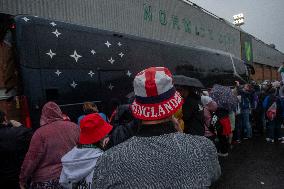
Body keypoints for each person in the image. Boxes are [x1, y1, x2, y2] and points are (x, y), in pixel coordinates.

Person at [92, 67, 221, 188]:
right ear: (174, 108)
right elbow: (213, 177)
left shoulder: (108, 161)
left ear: (137, 109)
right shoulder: (204, 148)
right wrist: (184, 139)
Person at [19, 102, 80, 189]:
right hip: (72, 175)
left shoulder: (40, 134)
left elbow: (31, 160)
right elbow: (83, 149)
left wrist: (22, 179)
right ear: (59, 112)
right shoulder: (74, 127)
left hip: (47, 180)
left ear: (43, 115)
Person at [60, 113, 112, 188]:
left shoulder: (70, 158)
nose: (107, 135)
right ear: (101, 137)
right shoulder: (104, 159)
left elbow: (63, 182)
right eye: (105, 134)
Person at [0, 111, 33, 189]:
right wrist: (20, 126)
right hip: (18, 176)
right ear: (5, 118)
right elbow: (34, 137)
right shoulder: (18, 133)